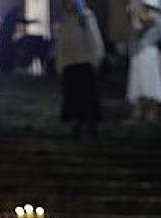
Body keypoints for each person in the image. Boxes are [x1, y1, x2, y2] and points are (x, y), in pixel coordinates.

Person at [56, 0, 105, 139]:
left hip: (84, 63)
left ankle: (91, 126)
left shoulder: (86, 17)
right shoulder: (65, 21)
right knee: (72, 98)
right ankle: (75, 125)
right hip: (70, 64)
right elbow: (61, 45)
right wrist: (60, 64)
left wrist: (96, 59)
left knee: (87, 97)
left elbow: (94, 39)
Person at [126, 0, 161, 122]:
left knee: (149, 84)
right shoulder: (149, 17)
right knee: (141, 83)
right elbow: (137, 25)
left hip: (148, 53)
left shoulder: (155, 18)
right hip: (141, 52)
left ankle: (150, 112)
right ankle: (141, 110)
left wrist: (133, 12)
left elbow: (143, 21)